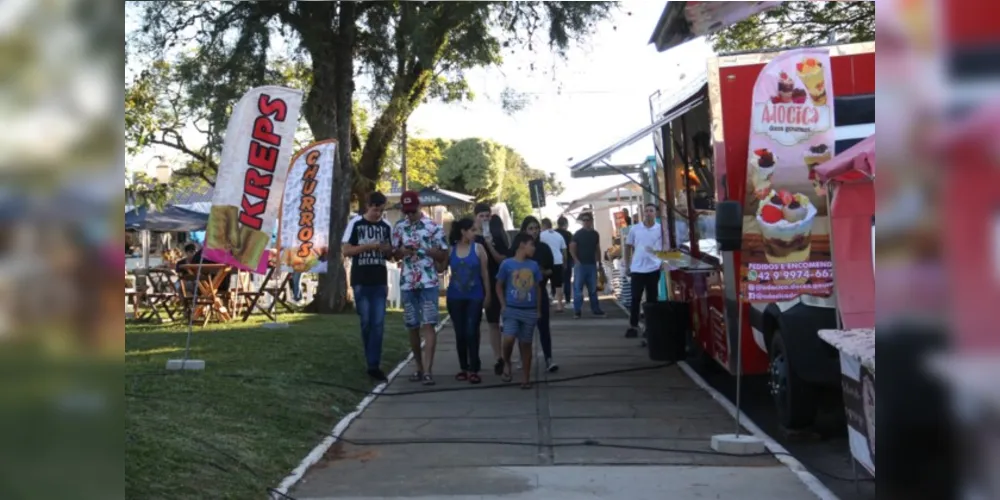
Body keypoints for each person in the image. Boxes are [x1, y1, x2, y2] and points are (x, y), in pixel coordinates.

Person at [391, 191, 449, 385]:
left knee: (428, 324)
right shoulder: (399, 227)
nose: (410, 215)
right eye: (406, 211)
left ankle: (428, 370)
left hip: (428, 282)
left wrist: (424, 250)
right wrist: (401, 251)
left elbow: (443, 255)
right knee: (412, 325)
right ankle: (418, 367)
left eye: (413, 211)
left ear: (420, 206)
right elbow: (394, 254)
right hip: (408, 282)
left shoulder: (433, 227)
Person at [342, 192, 394, 381]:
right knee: (366, 322)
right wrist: (369, 246)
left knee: (378, 323)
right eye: (375, 210)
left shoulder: (386, 226)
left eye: (380, 211)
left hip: (379, 279)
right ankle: (369, 357)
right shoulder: (356, 223)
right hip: (361, 279)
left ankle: (374, 364)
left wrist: (388, 250)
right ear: (367, 206)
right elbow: (346, 250)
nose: (377, 214)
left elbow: (390, 254)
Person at [446, 218, 491, 384]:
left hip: (475, 296)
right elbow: (441, 267)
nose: (475, 233)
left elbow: (485, 274)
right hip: (455, 297)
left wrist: (488, 295)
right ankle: (463, 367)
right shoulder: (452, 250)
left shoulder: (479, 249)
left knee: (472, 331)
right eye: (472, 230)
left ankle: (474, 367)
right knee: (460, 333)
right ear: (463, 231)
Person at [496, 232, 542, 389]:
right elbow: (499, 285)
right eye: (532, 244)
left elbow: (538, 288)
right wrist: (503, 304)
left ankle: (526, 378)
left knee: (526, 344)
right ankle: (506, 361)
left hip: (529, 310)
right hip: (511, 309)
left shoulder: (534, 266)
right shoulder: (507, 264)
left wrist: (538, 309)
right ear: (522, 245)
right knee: (508, 339)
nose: (534, 248)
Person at [516, 217, 558, 372]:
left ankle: (548, 358)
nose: (534, 231)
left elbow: (552, 269)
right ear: (524, 231)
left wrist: (542, 272)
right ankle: (522, 357)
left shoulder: (544, 248)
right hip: (522, 293)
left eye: (536, 228)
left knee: (543, 326)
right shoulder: (519, 249)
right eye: (530, 228)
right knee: (522, 328)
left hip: (540, 292)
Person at [476, 208, 511, 376]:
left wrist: (489, 243)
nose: (485, 218)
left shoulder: (497, 235)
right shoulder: (473, 237)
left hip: (501, 282)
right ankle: (498, 358)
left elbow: (503, 258)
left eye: (487, 216)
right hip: (483, 283)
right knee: (492, 322)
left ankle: (507, 356)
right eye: (481, 215)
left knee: (508, 322)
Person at [624, 203, 665, 338]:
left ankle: (650, 327)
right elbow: (628, 246)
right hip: (637, 268)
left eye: (651, 211)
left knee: (652, 299)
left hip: (654, 267)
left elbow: (666, 247)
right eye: (646, 211)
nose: (648, 213)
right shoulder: (635, 229)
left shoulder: (661, 229)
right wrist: (627, 264)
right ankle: (633, 326)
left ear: (656, 213)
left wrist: (664, 262)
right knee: (635, 298)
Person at [569, 212, 606, 319]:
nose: (585, 222)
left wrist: (599, 262)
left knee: (593, 288)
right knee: (578, 289)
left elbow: (597, 248)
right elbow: (572, 247)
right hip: (581, 265)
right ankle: (577, 311)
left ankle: (595, 309)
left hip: (591, 264)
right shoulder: (578, 234)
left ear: (591, 221)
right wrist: (576, 260)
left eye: (587, 220)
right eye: (584, 220)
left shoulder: (595, 234)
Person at [540, 218, 567, 313]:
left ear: (543, 225)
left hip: (546, 263)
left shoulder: (541, 235)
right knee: (558, 285)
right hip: (558, 262)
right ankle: (560, 305)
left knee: (542, 284)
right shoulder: (558, 235)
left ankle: (543, 303)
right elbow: (564, 250)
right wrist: (565, 263)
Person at [556, 217, 574, 307]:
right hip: (567, 259)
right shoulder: (568, 234)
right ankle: (567, 301)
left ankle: (556, 299)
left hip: (555, 260)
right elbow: (571, 248)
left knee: (556, 280)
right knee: (567, 281)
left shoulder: (554, 233)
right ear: (566, 224)